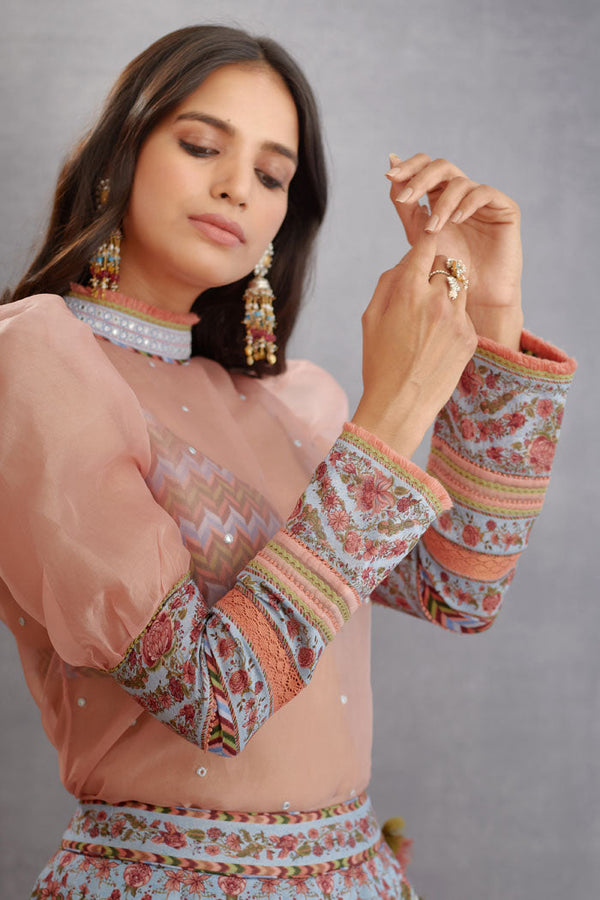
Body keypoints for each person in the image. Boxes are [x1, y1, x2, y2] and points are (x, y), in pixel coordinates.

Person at [0, 23, 575, 900]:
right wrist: (391, 413)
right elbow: (208, 695)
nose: (237, 187)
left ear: (280, 222)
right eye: (202, 147)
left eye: (272, 176)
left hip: (360, 877)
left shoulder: (290, 402)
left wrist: (490, 309)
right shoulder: (38, 359)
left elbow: (457, 589)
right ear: (118, 157)